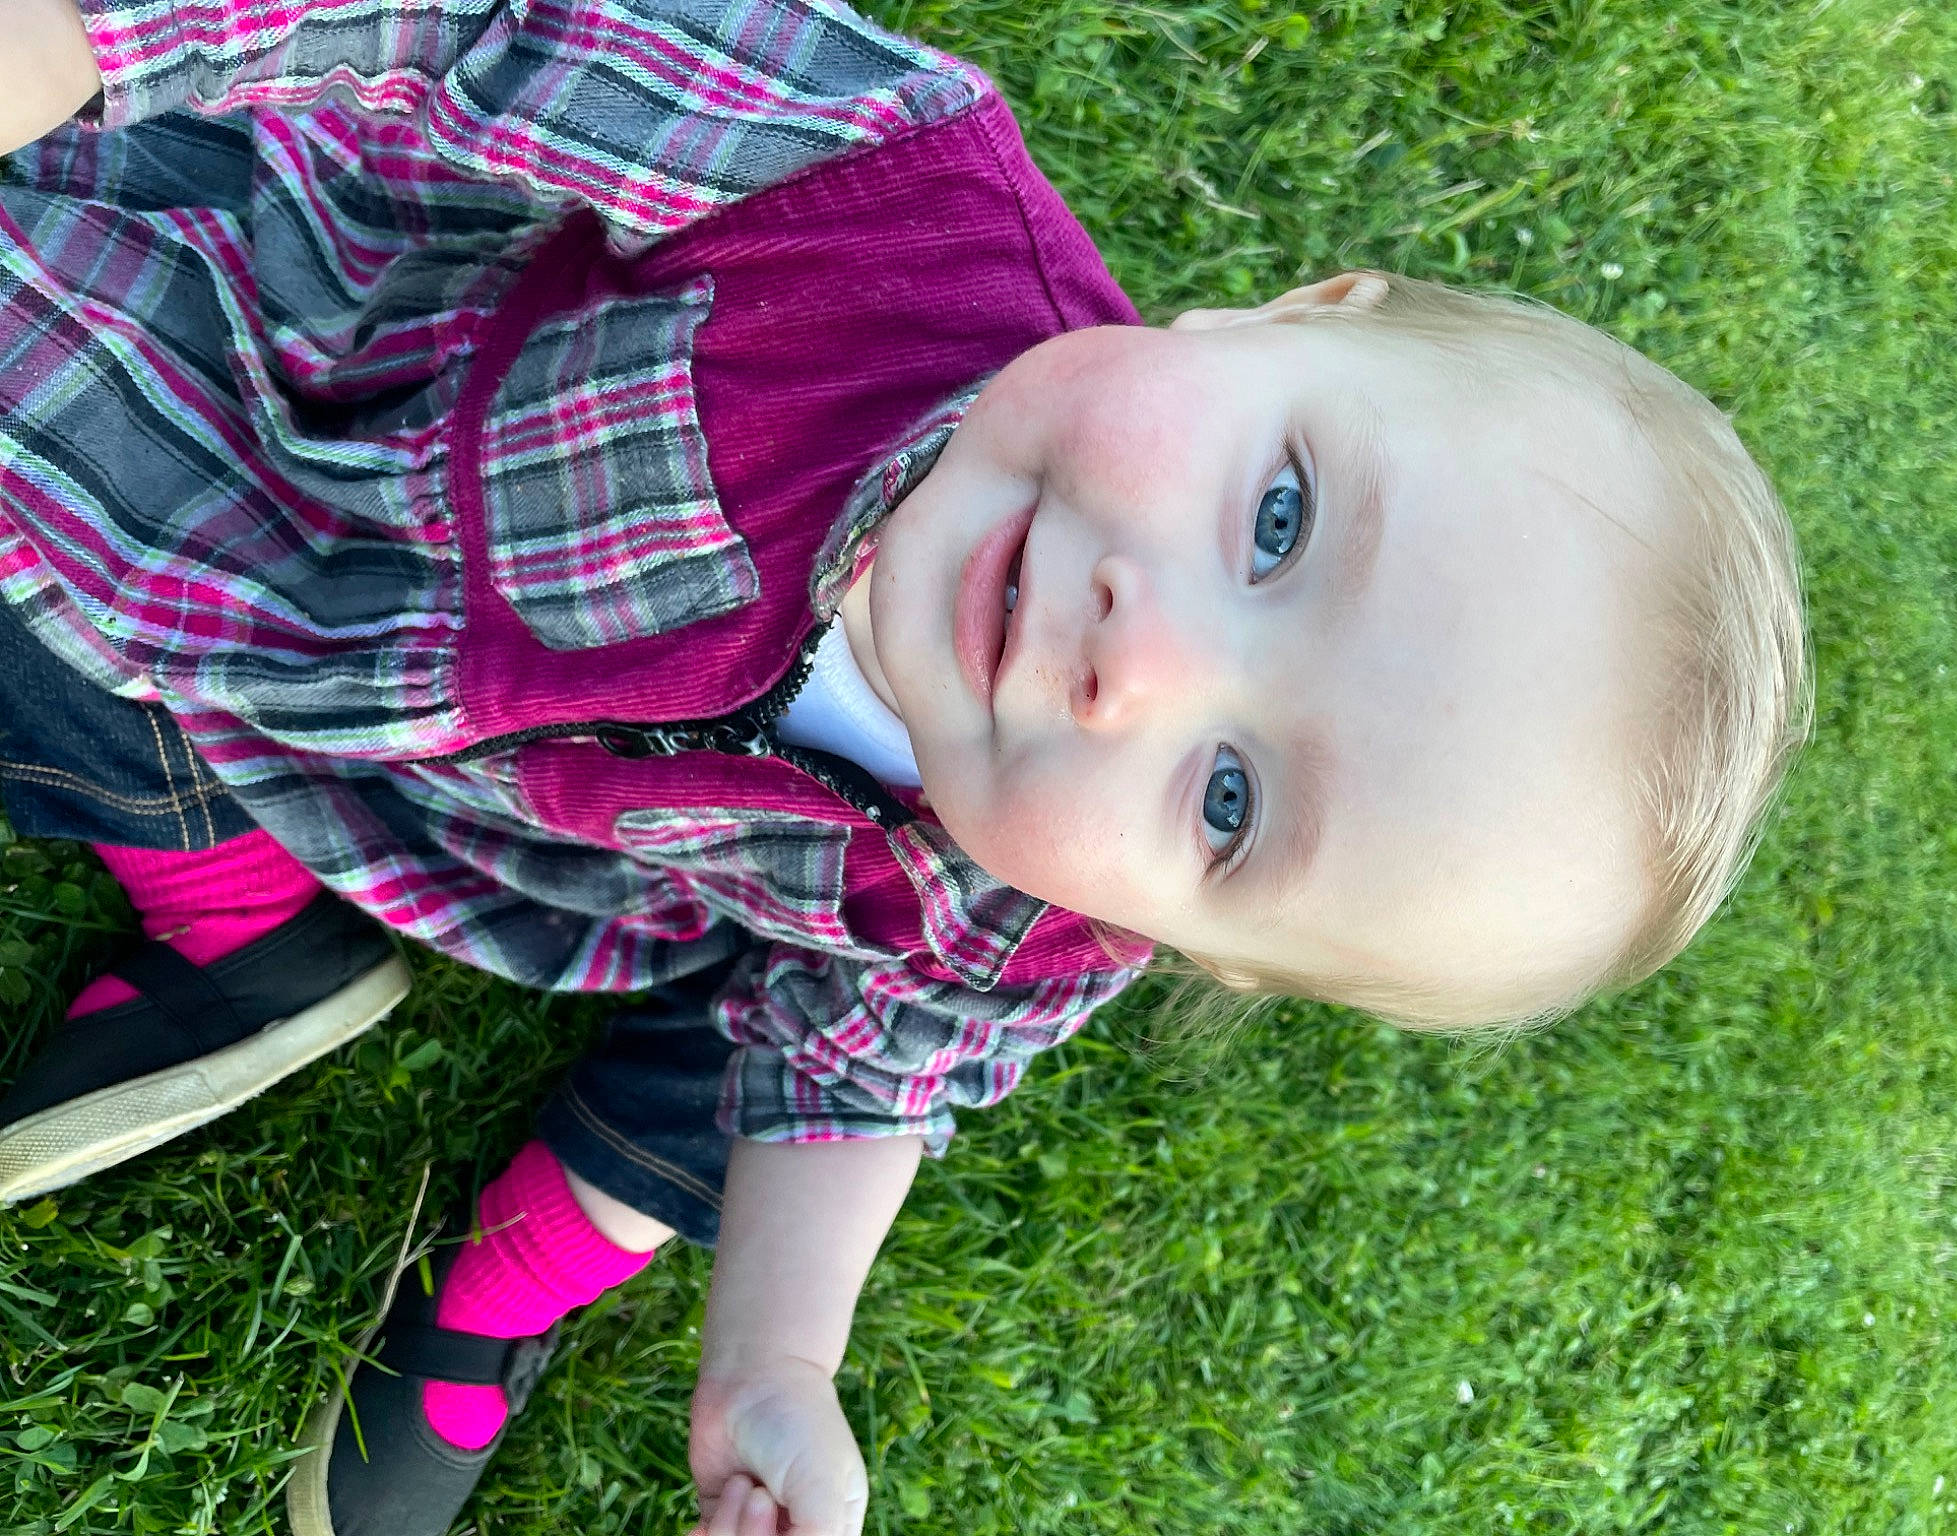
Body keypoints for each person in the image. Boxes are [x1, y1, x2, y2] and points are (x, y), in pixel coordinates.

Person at [0, 0, 1808, 1533]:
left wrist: (778, 1356)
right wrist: (81, 33)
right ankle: (234, 900)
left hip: (544, 841)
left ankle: (516, 1272)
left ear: (1179, 940)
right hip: (276, 413)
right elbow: (491, 22)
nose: (1142, 656)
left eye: (1232, 799)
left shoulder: (1034, 913)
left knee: (763, 1078)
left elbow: (882, 1063)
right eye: (1279, 516)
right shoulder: (871, 188)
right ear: (1287, 317)